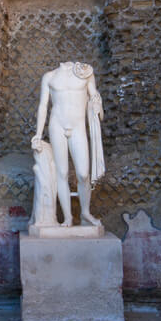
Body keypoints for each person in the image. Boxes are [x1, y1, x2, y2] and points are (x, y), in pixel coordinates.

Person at [31, 61, 105, 226]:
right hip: (57, 125)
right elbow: (43, 106)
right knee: (62, 173)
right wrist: (38, 134)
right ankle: (68, 217)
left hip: (78, 126)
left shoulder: (85, 72)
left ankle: (85, 213)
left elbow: (94, 95)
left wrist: (97, 105)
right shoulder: (49, 77)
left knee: (83, 174)